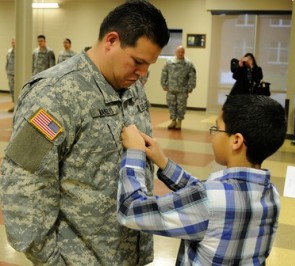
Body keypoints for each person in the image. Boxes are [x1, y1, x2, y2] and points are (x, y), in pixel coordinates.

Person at [0, 1, 169, 265]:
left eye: (149, 64)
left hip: (130, 254)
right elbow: (23, 187)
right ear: (111, 40)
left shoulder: (132, 87)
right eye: (138, 61)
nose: (143, 73)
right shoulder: (53, 94)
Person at [117, 94, 287, 265]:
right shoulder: (271, 195)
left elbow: (131, 210)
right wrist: (164, 163)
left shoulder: (209, 199)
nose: (213, 135)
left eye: (216, 128)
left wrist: (134, 153)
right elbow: (207, 197)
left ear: (236, 140)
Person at [160, 45, 196, 130]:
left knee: (181, 106)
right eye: (179, 52)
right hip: (171, 88)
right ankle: (173, 121)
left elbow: (192, 76)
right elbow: (164, 73)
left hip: (182, 89)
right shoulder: (169, 62)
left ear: (184, 53)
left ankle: (179, 121)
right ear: (176, 52)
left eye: (182, 52)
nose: (180, 53)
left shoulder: (188, 63)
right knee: (171, 105)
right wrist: (164, 84)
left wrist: (191, 87)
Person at [5, 37, 15, 113]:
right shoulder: (9, 51)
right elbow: (7, 62)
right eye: (12, 42)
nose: (13, 44)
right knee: (11, 90)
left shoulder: (20, 52)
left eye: (14, 42)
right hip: (10, 73)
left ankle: (17, 106)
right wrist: (7, 71)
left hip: (17, 75)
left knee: (17, 90)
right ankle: (14, 105)